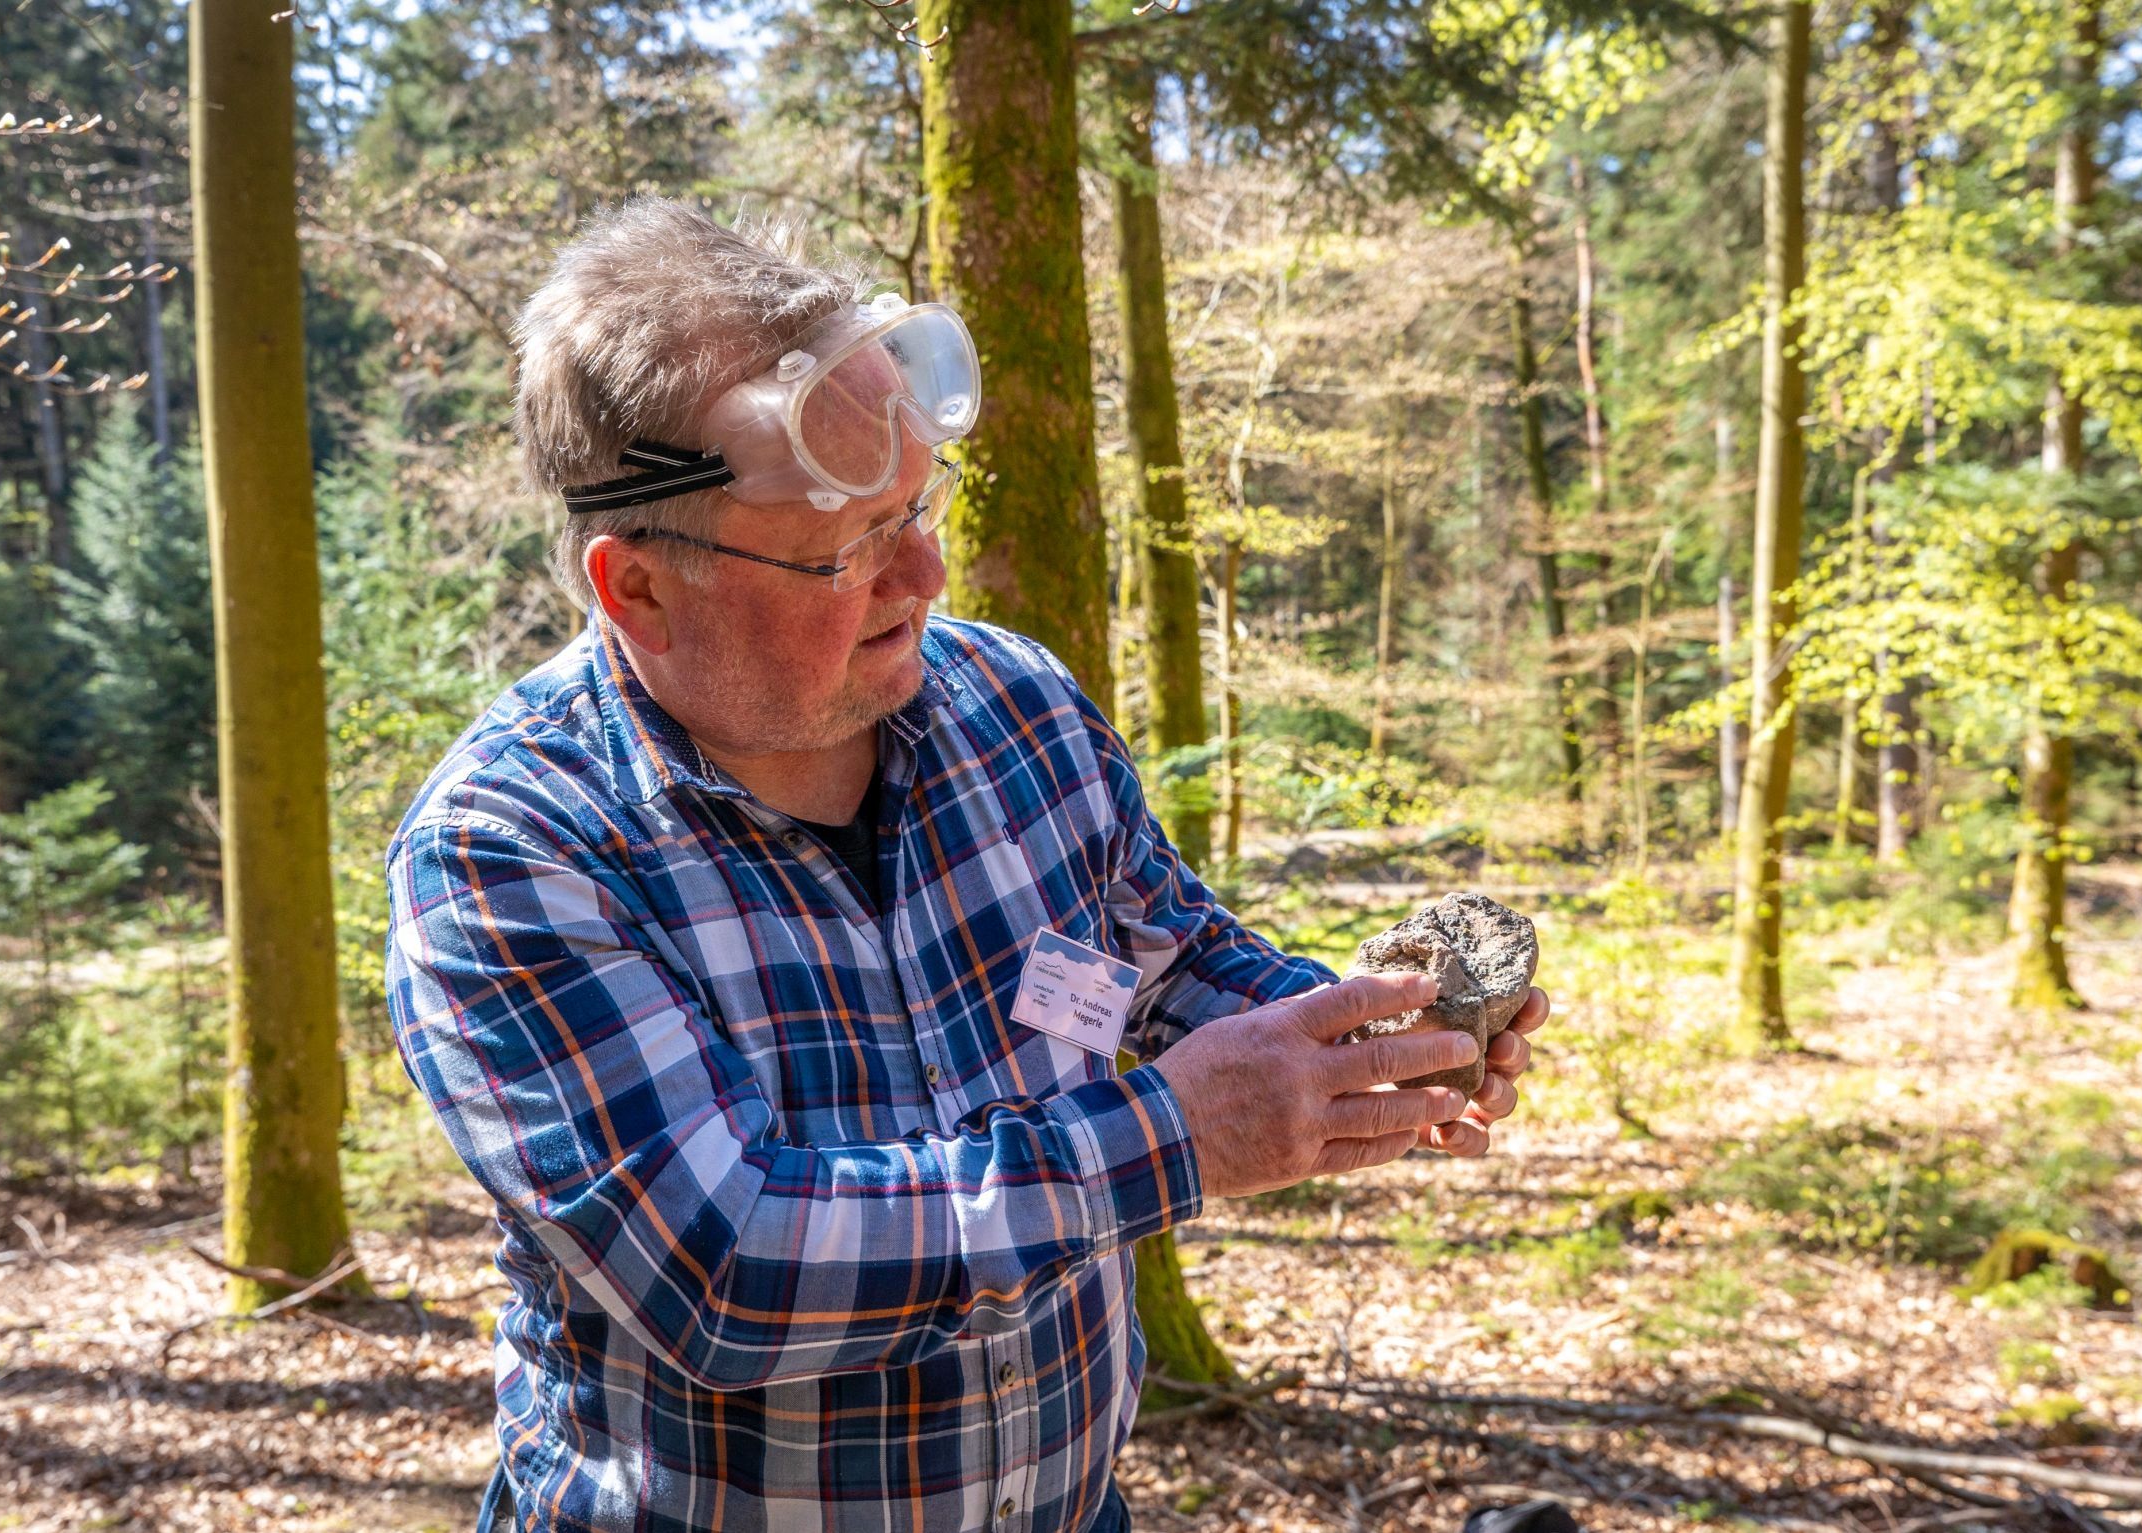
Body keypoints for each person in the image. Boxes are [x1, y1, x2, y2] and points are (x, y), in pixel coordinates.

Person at [384, 198, 1548, 1533]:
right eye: (852, 549)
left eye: (919, 509)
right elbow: (724, 1262)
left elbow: (1170, 962)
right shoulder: (510, 848)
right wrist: (1174, 1133)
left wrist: (1356, 1048)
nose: (927, 573)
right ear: (638, 584)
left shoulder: (1018, 713)